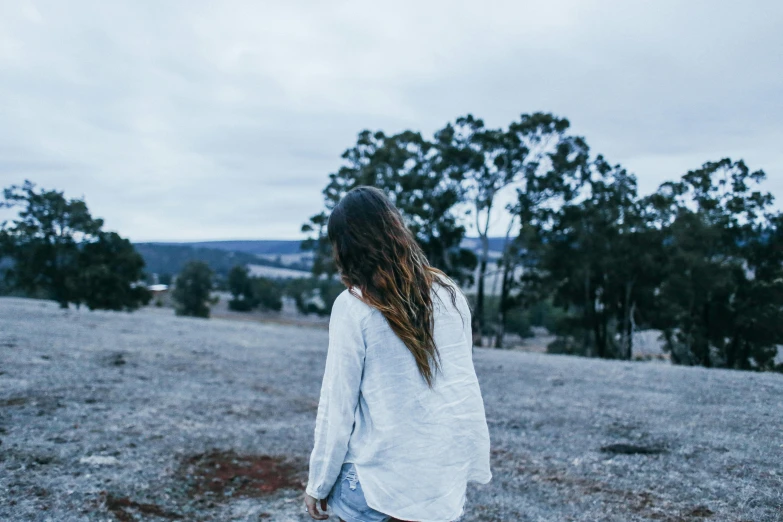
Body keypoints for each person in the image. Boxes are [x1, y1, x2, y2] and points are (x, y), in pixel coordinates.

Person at [303, 186, 492, 522]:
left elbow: (337, 406)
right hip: (436, 483)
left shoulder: (353, 306)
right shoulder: (449, 294)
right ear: (396, 229)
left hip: (375, 485)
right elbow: (460, 386)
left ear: (346, 246)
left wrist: (318, 483)